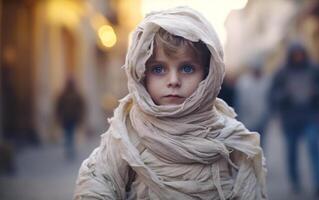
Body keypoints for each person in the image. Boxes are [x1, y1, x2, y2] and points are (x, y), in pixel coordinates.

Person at [74, 6, 267, 199]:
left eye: (187, 68)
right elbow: (97, 180)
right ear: (142, 75)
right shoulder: (127, 134)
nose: (173, 80)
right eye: (158, 69)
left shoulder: (231, 137)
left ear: (208, 75)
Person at [269, 42, 319, 196]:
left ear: (304, 54)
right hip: (290, 119)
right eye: (295, 54)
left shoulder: (314, 69)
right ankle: (295, 182)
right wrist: (284, 95)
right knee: (292, 152)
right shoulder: (282, 72)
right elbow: (273, 94)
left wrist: (317, 91)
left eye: (300, 54)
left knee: (314, 146)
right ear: (290, 55)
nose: (298, 57)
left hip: (311, 115)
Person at [235, 61, 271, 148]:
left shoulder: (267, 81)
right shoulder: (243, 82)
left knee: (261, 144)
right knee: (249, 144)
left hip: (263, 118)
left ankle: (260, 161)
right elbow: (239, 101)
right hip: (247, 119)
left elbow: (270, 99)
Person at [56, 77, 85, 160]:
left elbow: (81, 106)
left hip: (70, 118)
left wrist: (80, 117)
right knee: (69, 134)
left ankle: (69, 150)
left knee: (69, 134)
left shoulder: (71, 95)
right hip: (68, 118)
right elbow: (59, 107)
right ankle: (69, 150)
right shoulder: (66, 95)